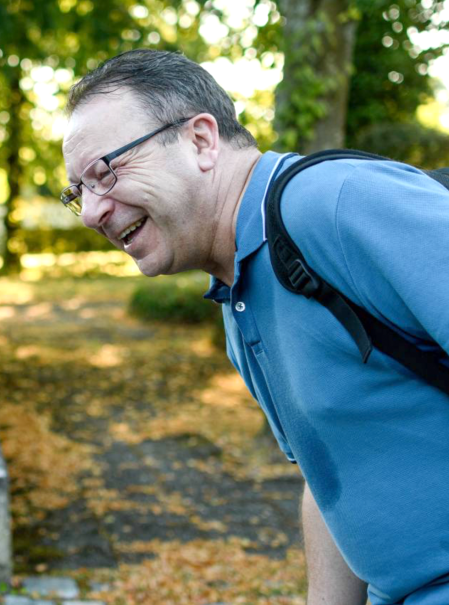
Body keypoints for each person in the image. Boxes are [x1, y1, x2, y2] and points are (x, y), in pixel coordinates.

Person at [60, 49, 449, 605]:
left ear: (200, 140)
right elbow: (330, 479)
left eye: (105, 173)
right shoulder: (237, 293)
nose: (93, 211)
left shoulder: (338, 204)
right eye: (79, 192)